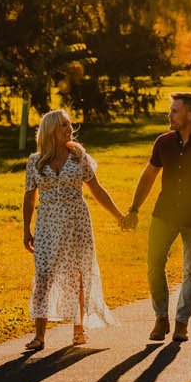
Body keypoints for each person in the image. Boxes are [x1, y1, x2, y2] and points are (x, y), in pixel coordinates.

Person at [121, 91, 191, 343]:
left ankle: (181, 322)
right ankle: (160, 318)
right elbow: (148, 177)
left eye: (175, 111)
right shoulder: (163, 143)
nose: (170, 114)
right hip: (163, 215)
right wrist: (134, 209)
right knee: (154, 265)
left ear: (190, 114)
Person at [21, 108, 126, 350]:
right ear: (50, 130)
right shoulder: (35, 162)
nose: (70, 130)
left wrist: (119, 216)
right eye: (64, 126)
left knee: (77, 275)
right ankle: (39, 336)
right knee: (44, 274)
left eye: (70, 125)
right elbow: (29, 198)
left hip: (76, 221)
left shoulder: (79, 157)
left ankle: (79, 331)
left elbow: (97, 190)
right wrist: (26, 230)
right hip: (47, 222)